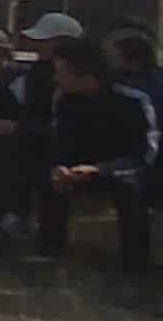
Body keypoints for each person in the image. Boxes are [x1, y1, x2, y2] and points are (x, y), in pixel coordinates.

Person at [31, 37, 156, 276]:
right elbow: (59, 143)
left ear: (85, 75)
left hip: (120, 171)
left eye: (62, 72)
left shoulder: (134, 101)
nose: (56, 78)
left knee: (130, 191)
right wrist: (60, 168)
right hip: (78, 171)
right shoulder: (64, 100)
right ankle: (49, 255)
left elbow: (144, 156)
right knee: (48, 180)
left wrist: (100, 170)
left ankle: (134, 269)